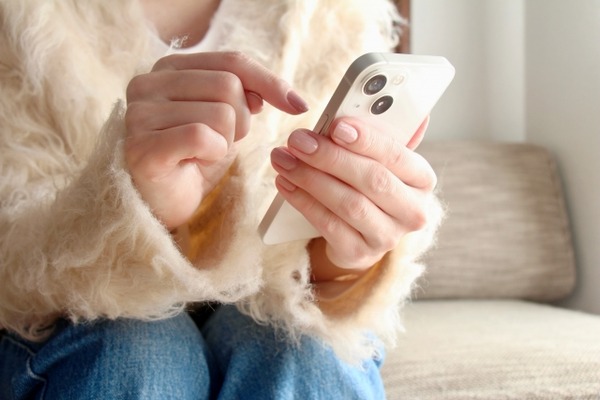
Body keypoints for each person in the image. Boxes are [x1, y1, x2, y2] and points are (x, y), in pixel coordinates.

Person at [0, 0, 442, 398]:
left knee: (303, 348)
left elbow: (309, 276)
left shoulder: (336, 12)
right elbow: (13, 250)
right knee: (136, 351)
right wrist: (134, 204)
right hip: (74, 313)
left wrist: (346, 252)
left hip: (275, 296)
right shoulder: (22, 18)